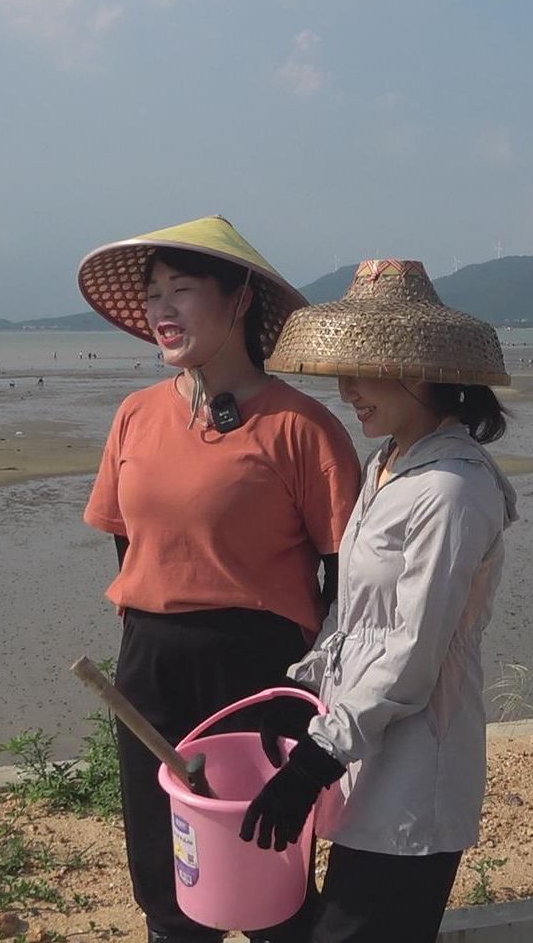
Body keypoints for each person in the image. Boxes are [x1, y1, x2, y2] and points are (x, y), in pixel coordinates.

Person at [77, 216, 362, 943]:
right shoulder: (135, 416)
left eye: (182, 290)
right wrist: (154, 636)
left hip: (262, 670)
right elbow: (126, 543)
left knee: (268, 879)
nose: (161, 310)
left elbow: (348, 583)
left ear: (238, 301)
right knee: (168, 880)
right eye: (152, 295)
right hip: (151, 664)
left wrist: (316, 693)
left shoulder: (302, 427)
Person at [243, 259, 519, 942]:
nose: (346, 389)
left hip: (414, 770)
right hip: (363, 752)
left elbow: (412, 654)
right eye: (344, 370)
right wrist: (303, 690)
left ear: (423, 370)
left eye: (364, 370)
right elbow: (357, 615)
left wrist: (316, 759)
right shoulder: (388, 463)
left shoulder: (452, 490)